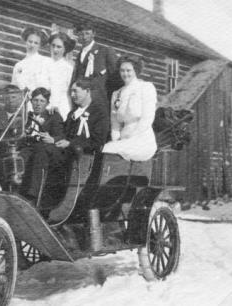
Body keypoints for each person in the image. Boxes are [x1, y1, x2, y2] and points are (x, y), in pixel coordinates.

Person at [49, 79, 110, 222]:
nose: (72, 94)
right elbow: (64, 133)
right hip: (70, 153)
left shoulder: (99, 112)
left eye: (75, 91)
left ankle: (62, 208)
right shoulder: (73, 113)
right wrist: (55, 116)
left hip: (87, 157)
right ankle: (47, 201)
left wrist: (70, 143)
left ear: (87, 91)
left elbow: (98, 141)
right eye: (71, 91)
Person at [102, 56, 158, 161]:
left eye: (129, 70)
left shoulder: (145, 87)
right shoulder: (116, 94)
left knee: (109, 149)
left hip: (142, 139)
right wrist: (116, 140)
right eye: (122, 70)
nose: (125, 74)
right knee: (108, 148)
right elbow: (115, 124)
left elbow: (147, 118)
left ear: (135, 70)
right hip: (123, 140)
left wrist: (131, 138)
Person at [19, 87, 65, 202]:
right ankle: (15, 188)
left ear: (47, 103)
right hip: (29, 148)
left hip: (47, 150)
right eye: (35, 100)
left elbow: (61, 135)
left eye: (42, 101)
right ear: (31, 102)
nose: (38, 104)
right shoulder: (26, 117)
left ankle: (33, 195)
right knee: (20, 155)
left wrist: (52, 139)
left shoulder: (53, 116)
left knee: (39, 151)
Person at [70, 22, 121, 102]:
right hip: (81, 102)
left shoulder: (105, 52)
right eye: (81, 34)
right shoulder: (79, 56)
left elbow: (116, 77)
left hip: (100, 101)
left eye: (87, 33)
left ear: (93, 34)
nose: (84, 37)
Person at [46, 32, 77, 121]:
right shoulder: (44, 63)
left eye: (59, 47)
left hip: (60, 106)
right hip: (43, 104)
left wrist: (54, 104)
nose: (55, 49)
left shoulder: (67, 68)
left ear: (65, 49)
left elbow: (62, 89)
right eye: (53, 45)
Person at [11, 27, 50, 92]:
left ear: (40, 45)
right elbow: (13, 88)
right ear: (25, 42)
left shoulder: (46, 62)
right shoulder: (18, 66)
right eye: (30, 41)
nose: (32, 45)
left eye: (36, 43)